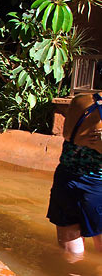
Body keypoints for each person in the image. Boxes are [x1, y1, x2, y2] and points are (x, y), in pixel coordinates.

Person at [47, 93, 102, 255]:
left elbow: (68, 135)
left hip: (66, 180)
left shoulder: (81, 100)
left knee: (72, 250)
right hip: (97, 186)